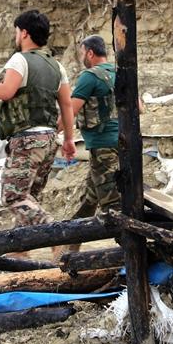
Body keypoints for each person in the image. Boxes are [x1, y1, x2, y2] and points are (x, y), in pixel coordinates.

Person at [0, 10, 76, 227]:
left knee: (14, 196)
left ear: (24, 33)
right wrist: (68, 140)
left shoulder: (19, 60)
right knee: (29, 198)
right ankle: (21, 252)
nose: (16, 36)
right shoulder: (57, 67)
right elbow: (66, 105)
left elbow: (7, 91)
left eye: (16, 31)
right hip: (48, 140)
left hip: (27, 140)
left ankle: (54, 233)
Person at [68, 35, 120, 219]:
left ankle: (130, 245)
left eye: (82, 53)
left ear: (90, 53)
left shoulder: (89, 77)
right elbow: (139, 107)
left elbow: (70, 111)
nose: (82, 57)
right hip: (122, 142)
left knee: (112, 206)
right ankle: (72, 242)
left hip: (102, 145)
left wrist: (56, 134)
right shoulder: (119, 72)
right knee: (90, 198)